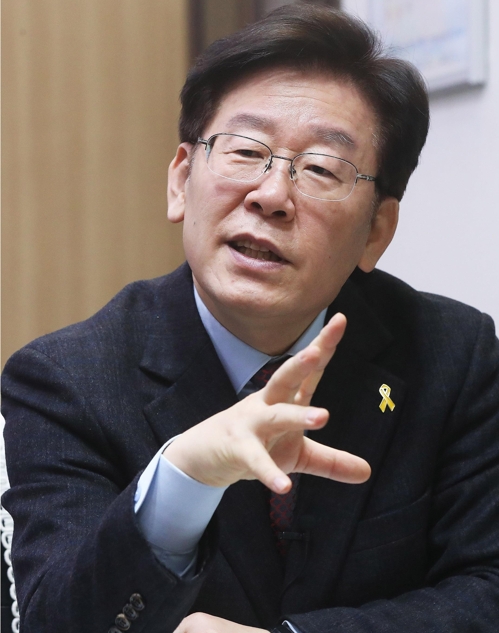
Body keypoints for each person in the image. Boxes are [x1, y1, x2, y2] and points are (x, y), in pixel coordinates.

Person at [2, 5, 499, 633]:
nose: (270, 196)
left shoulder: (452, 355)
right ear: (181, 181)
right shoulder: (66, 380)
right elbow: (55, 620)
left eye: (321, 168)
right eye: (244, 150)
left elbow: (486, 588)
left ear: (377, 230)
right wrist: (184, 479)